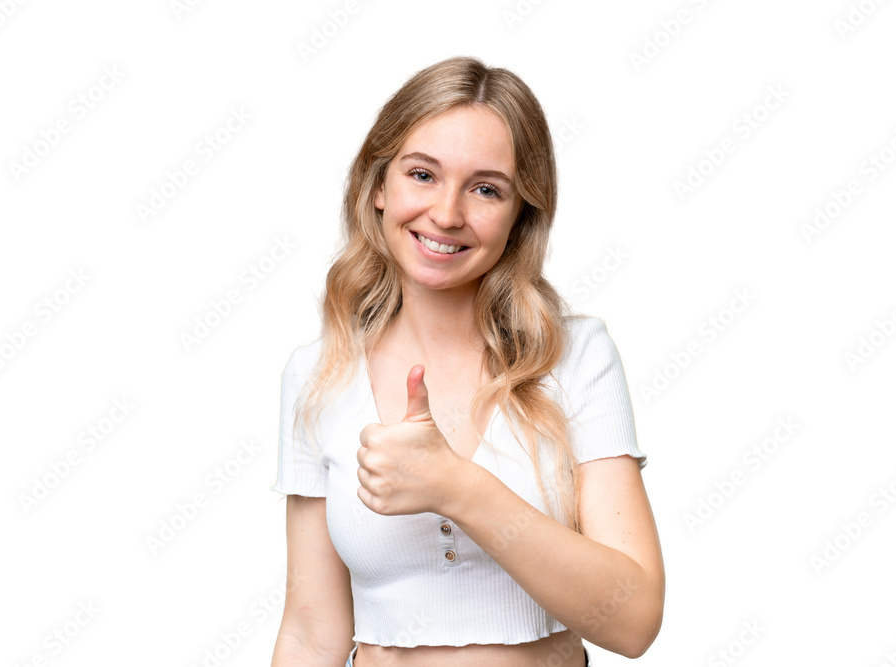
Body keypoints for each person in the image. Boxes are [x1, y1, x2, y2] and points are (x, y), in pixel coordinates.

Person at [270, 56, 665, 667]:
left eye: (486, 189)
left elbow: (633, 621)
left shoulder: (577, 356)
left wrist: (458, 486)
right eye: (422, 175)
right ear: (378, 187)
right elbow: (309, 631)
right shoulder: (317, 375)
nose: (447, 214)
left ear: (521, 214)